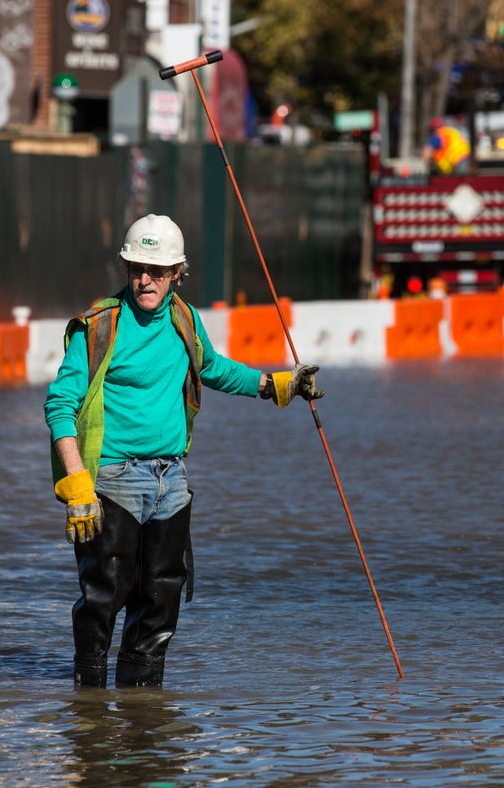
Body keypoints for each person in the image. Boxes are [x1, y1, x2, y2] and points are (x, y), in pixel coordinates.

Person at [44, 213, 324, 688]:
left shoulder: (184, 319)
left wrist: (276, 385)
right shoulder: (98, 328)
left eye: (156, 270)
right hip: (112, 480)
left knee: (160, 599)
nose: (144, 279)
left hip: (169, 481)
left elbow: (212, 368)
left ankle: (142, 712)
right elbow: (60, 406)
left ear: (178, 273)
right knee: (104, 597)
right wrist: (77, 486)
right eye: (136, 268)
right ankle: (88, 708)